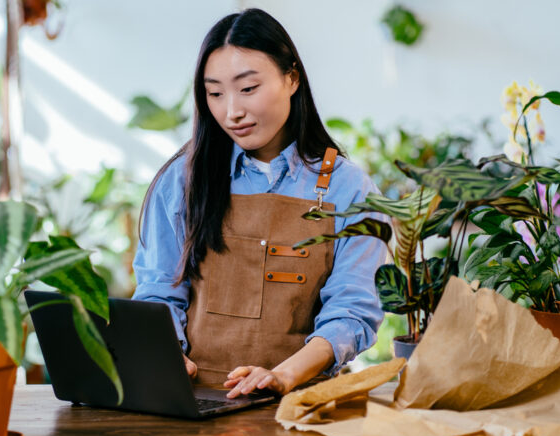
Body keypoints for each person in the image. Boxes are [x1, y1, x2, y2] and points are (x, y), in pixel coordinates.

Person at [132, 8, 386, 399]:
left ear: (292, 78)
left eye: (248, 89)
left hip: (299, 404)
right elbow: (159, 292)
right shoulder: (180, 181)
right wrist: (165, 354)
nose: (231, 111)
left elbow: (353, 311)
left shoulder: (347, 188)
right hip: (193, 402)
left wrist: (284, 375)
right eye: (215, 93)